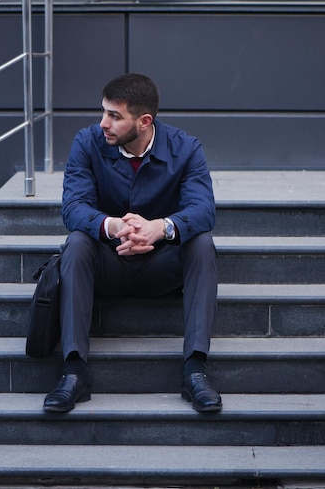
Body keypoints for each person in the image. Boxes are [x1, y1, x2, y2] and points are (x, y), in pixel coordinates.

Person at [43, 72, 222, 414]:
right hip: (108, 264)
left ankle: (195, 369)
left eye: (114, 116)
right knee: (77, 242)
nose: (103, 124)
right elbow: (73, 208)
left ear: (144, 121)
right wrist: (112, 226)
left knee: (201, 243)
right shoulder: (87, 142)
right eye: (103, 112)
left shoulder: (185, 149)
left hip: (162, 266)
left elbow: (204, 210)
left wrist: (160, 228)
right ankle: (73, 370)